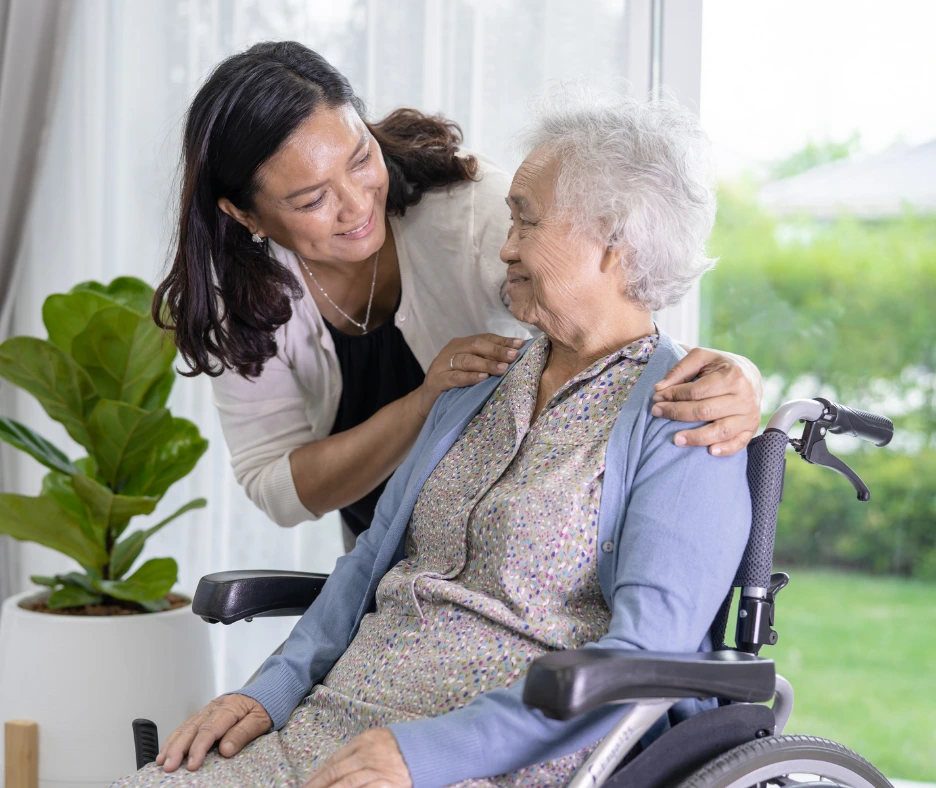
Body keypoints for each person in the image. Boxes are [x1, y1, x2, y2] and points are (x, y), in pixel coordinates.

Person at [118, 86, 752, 788]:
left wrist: (427, 754)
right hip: (339, 721)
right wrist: (265, 692)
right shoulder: (476, 381)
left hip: (500, 753)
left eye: (526, 222)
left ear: (614, 241)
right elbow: (364, 569)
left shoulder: (685, 422)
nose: (505, 245)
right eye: (510, 218)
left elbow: (644, 653)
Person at [154, 41, 762, 551]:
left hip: (510, 550)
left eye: (361, 157)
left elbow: (627, 311)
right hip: (392, 563)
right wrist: (424, 404)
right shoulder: (238, 296)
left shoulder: (476, 214)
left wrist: (736, 376)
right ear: (243, 214)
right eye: (312, 200)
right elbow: (278, 488)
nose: (358, 202)